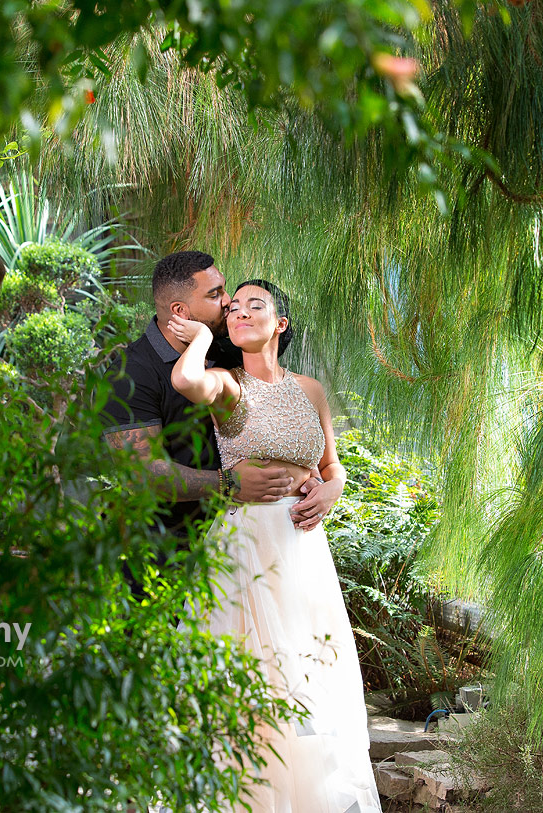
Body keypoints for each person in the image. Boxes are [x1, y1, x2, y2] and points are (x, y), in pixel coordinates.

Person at [167, 279, 382, 813]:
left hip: (304, 551)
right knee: (248, 690)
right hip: (248, 547)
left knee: (308, 690)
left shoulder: (310, 390)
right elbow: (186, 378)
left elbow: (332, 466)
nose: (239, 312)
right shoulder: (227, 384)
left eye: (253, 305)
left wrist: (331, 488)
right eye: (232, 308)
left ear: (280, 323)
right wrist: (199, 335)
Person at [101, 251, 323, 598]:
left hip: (247, 547)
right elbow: (140, 473)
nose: (227, 303)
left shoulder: (230, 349)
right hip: (164, 557)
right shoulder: (129, 374)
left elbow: (280, 410)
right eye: (214, 294)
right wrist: (229, 483)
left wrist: (313, 478)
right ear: (180, 312)